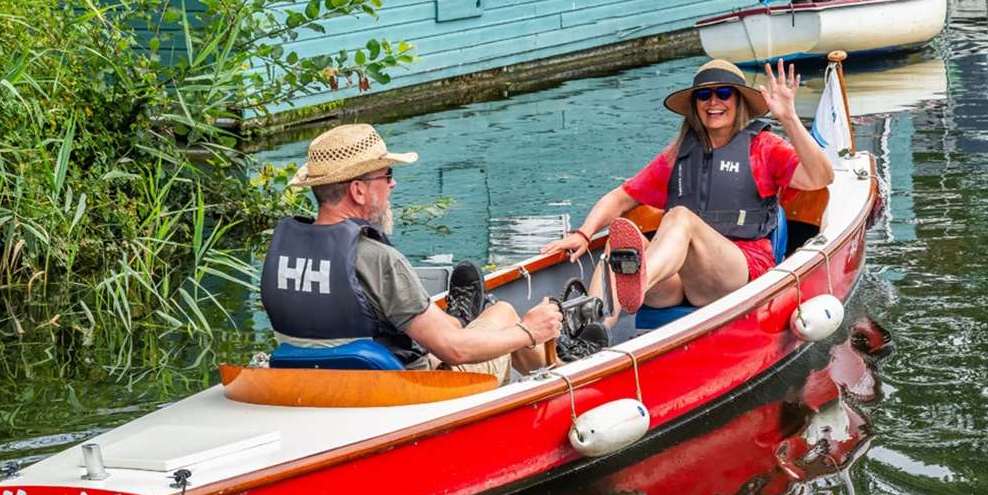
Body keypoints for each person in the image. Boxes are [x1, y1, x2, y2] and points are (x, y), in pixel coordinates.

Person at [260, 124, 562, 383]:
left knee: (440, 329)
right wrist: (530, 331)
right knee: (504, 314)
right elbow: (454, 351)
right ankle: (562, 370)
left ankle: (458, 319)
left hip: (327, 383)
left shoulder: (282, 255)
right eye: (386, 174)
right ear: (358, 191)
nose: (393, 183)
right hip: (412, 391)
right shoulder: (378, 259)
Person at [541, 59, 833, 314]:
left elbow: (821, 177)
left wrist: (790, 119)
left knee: (679, 217)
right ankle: (592, 329)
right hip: (681, 281)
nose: (713, 102)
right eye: (704, 95)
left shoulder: (763, 147)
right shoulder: (678, 154)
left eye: (723, 94)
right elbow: (620, 197)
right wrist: (583, 233)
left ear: (739, 101)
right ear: (695, 105)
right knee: (618, 248)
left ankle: (637, 280)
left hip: (740, 271)